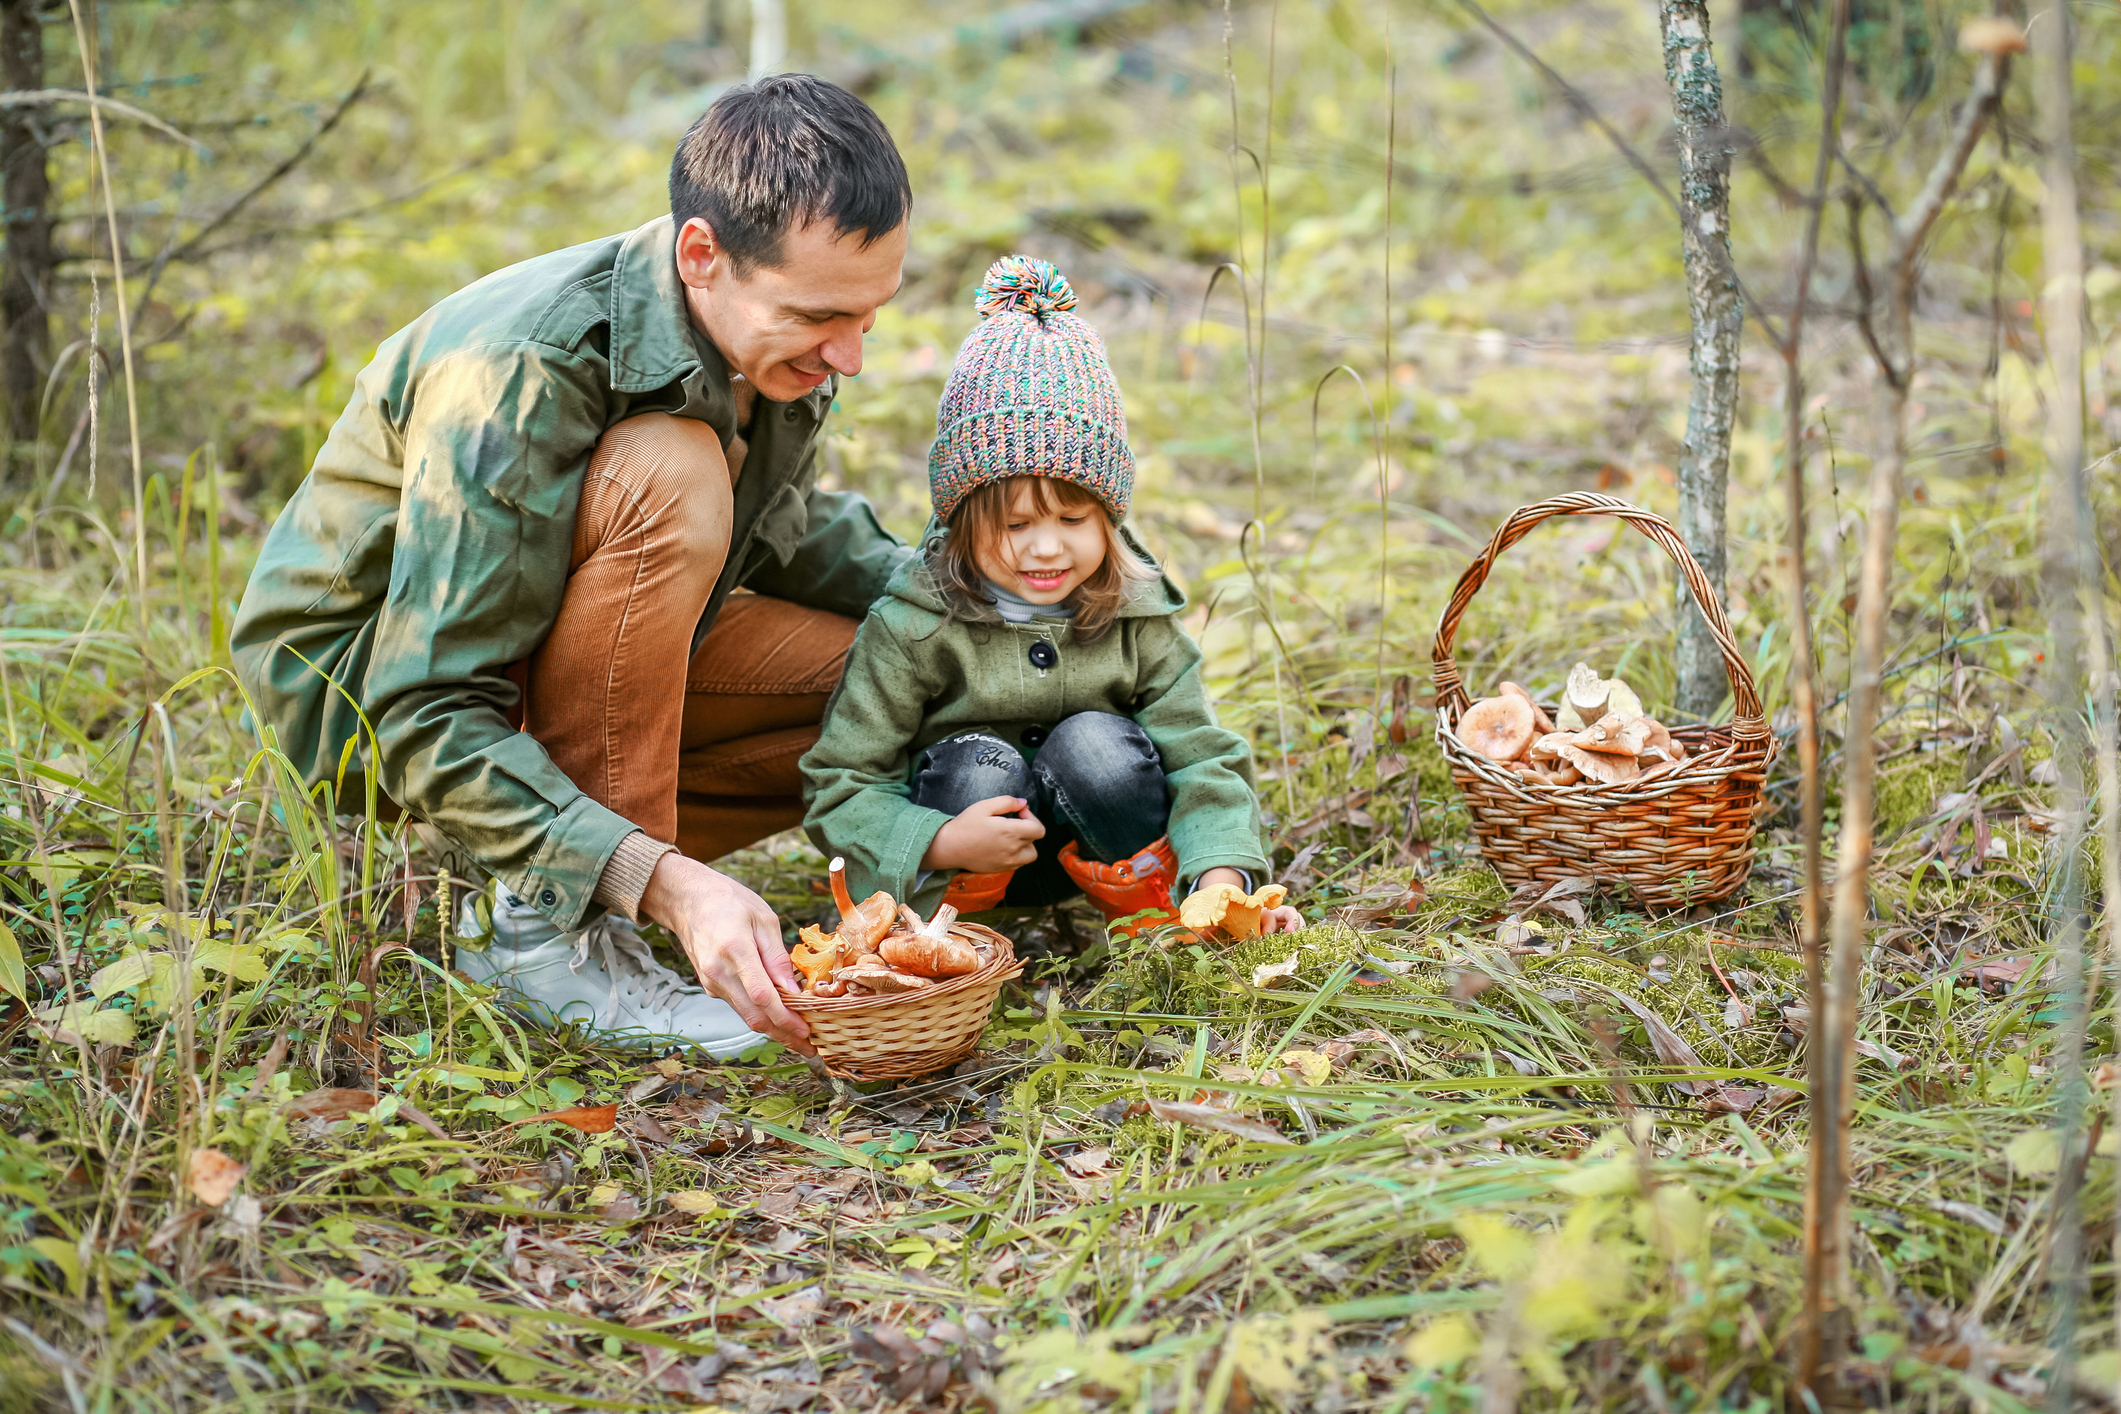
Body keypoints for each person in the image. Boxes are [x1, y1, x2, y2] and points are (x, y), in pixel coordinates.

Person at [231, 75, 917, 1059]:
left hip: (544, 656)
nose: (850, 353)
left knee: (894, 670)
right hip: (368, 695)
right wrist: (678, 889)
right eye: (820, 316)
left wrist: (989, 600)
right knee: (668, 473)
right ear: (701, 256)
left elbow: (788, 531)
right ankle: (551, 936)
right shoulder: (517, 369)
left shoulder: (762, 340)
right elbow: (421, 710)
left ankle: (544, 863)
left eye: (873, 313)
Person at [800, 256, 1303, 936]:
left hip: (1103, 839)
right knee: (979, 764)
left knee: (1095, 745)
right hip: (964, 850)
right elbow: (842, 783)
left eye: (1072, 521)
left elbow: (1200, 755)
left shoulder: (1135, 614)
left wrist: (1220, 873)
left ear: (1110, 517)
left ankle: (1155, 912)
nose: (1045, 549)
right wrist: (936, 841)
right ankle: (954, 929)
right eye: (1014, 525)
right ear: (963, 519)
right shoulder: (913, 626)